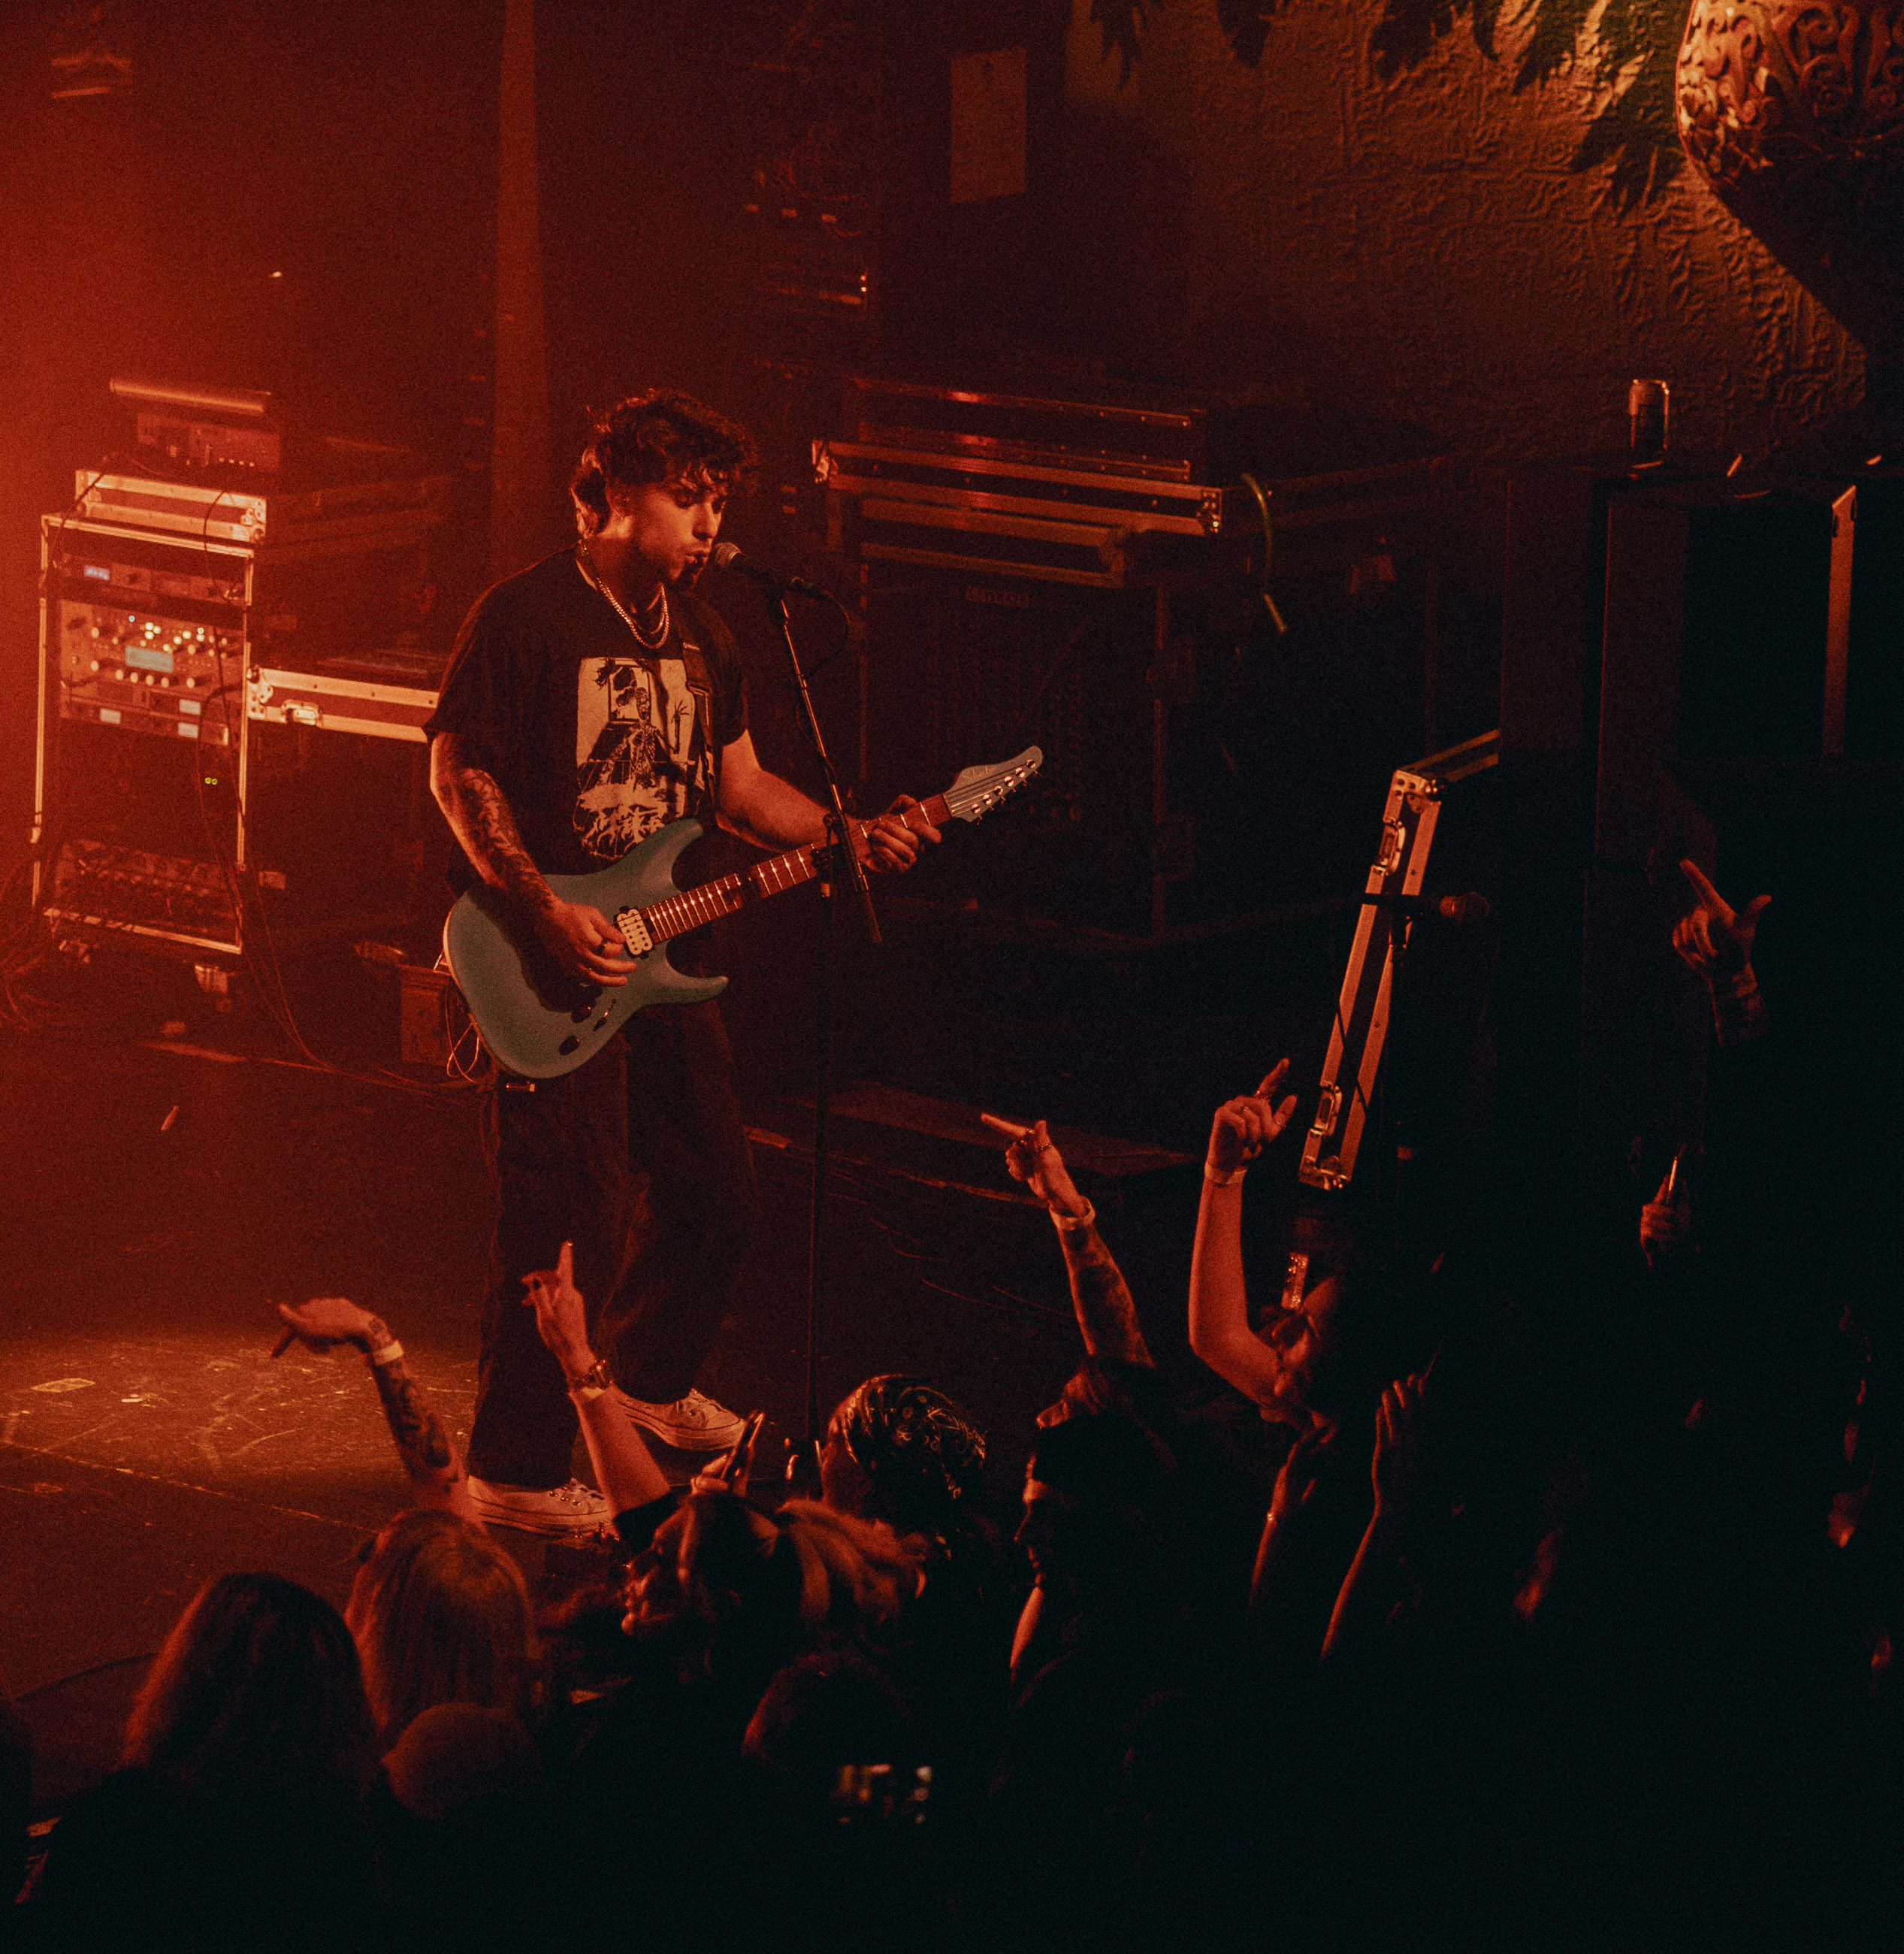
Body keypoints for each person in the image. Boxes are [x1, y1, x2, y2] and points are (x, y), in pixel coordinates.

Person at [425, 389, 939, 1532]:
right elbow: (461, 776)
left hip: (664, 956)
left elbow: (739, 789)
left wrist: (844, 836)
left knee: (718, 1191)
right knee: (571, 1214)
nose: (709, 524)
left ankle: (647, 1388)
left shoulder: (710, 635)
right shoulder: (526, 617)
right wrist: (545, 909)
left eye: (718, 502)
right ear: (610, 495)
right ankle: (512, 1467)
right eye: (686, 497)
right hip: (547, 953)